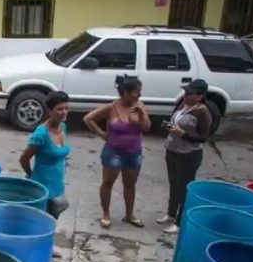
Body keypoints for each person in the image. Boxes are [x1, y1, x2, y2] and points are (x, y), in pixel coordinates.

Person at [83, 76, 152, 229]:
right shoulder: (111, 108)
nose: (139, 95)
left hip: (134, 152)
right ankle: (106, 214)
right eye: (136, 92)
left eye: (139, 92)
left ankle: (129, 215)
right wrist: (102, 133)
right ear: (125, 93)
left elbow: (146, 127)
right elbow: (88, 119)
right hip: (114, 152)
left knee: (130, 184)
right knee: (108, 183)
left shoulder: (140, 106)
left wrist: (141, 114)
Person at [158, 79, 213, 234]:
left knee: (184, 187)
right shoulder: (183, 105)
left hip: (189, 154)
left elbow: (203, 137)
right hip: (172, 150)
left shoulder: (203, 112)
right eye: (186, 92)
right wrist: (168, 127)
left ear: (200, 96)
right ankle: (170, 213)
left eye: (190, 93)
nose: (186, 95)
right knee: (173, 183)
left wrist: (183, 134)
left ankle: (179, 221)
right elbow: (173, 124)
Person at [20, 90, 71, 217]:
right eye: (59, 109)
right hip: (42, 184)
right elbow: (24, 159)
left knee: (57, 210)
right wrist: (31, 175)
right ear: (49, 111)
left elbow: (60, 151)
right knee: (42, 217)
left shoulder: (63, 127)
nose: (64, 112)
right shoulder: (41, 134)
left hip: (57, 180)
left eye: (66, 108)